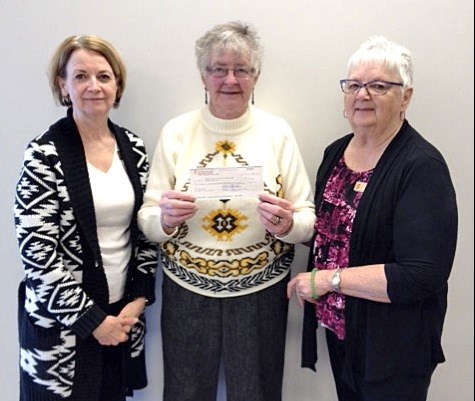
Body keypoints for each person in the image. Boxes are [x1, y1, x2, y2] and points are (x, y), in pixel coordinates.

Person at [138, 21, 315, 401]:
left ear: (257, 76)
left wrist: (287, 225)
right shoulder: (176, 133)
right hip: (187, 290)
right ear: (203, 75)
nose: (230, 80)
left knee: (257, 393)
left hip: (261, 292)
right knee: (184, 393)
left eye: (242, 70)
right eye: (219, 69)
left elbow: (307, 222)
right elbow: (147, 220)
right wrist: (165, 220)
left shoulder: (277, 132)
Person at [287, 36, 458, 401]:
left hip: (393, 348)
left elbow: (420, 274)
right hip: (341, 333)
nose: (362, 95)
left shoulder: (420, 166)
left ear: (405, 98)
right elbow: (340, 237)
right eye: (353, 85)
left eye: (378, 85)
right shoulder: (336, 152)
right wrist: (290, 227)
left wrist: (328, 280)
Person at [13, 35, 158, 401]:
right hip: (63, 326)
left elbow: (143, 234)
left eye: (104, 76)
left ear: (117, 85)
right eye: (80, 76)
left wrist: (139, 298)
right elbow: (37, 255)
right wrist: (93, 322)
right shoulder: (43, 154)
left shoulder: (134, 149)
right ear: (63, 85)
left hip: (121, 318)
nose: (94, 86)